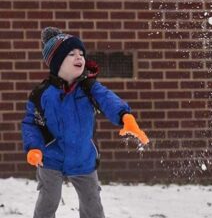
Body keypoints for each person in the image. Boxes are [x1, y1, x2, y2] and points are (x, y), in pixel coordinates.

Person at [21, 27, 149, 218]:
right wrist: (34, 148)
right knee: (49, 199)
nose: (79, 57)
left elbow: (108, 99)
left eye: (81, 53)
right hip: (50, 157)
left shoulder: (89, 88)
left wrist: (125, 116)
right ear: (57, 63)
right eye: (71, 54)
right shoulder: (42, 94)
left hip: (83, 156)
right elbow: (31, 123)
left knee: (92, 203)